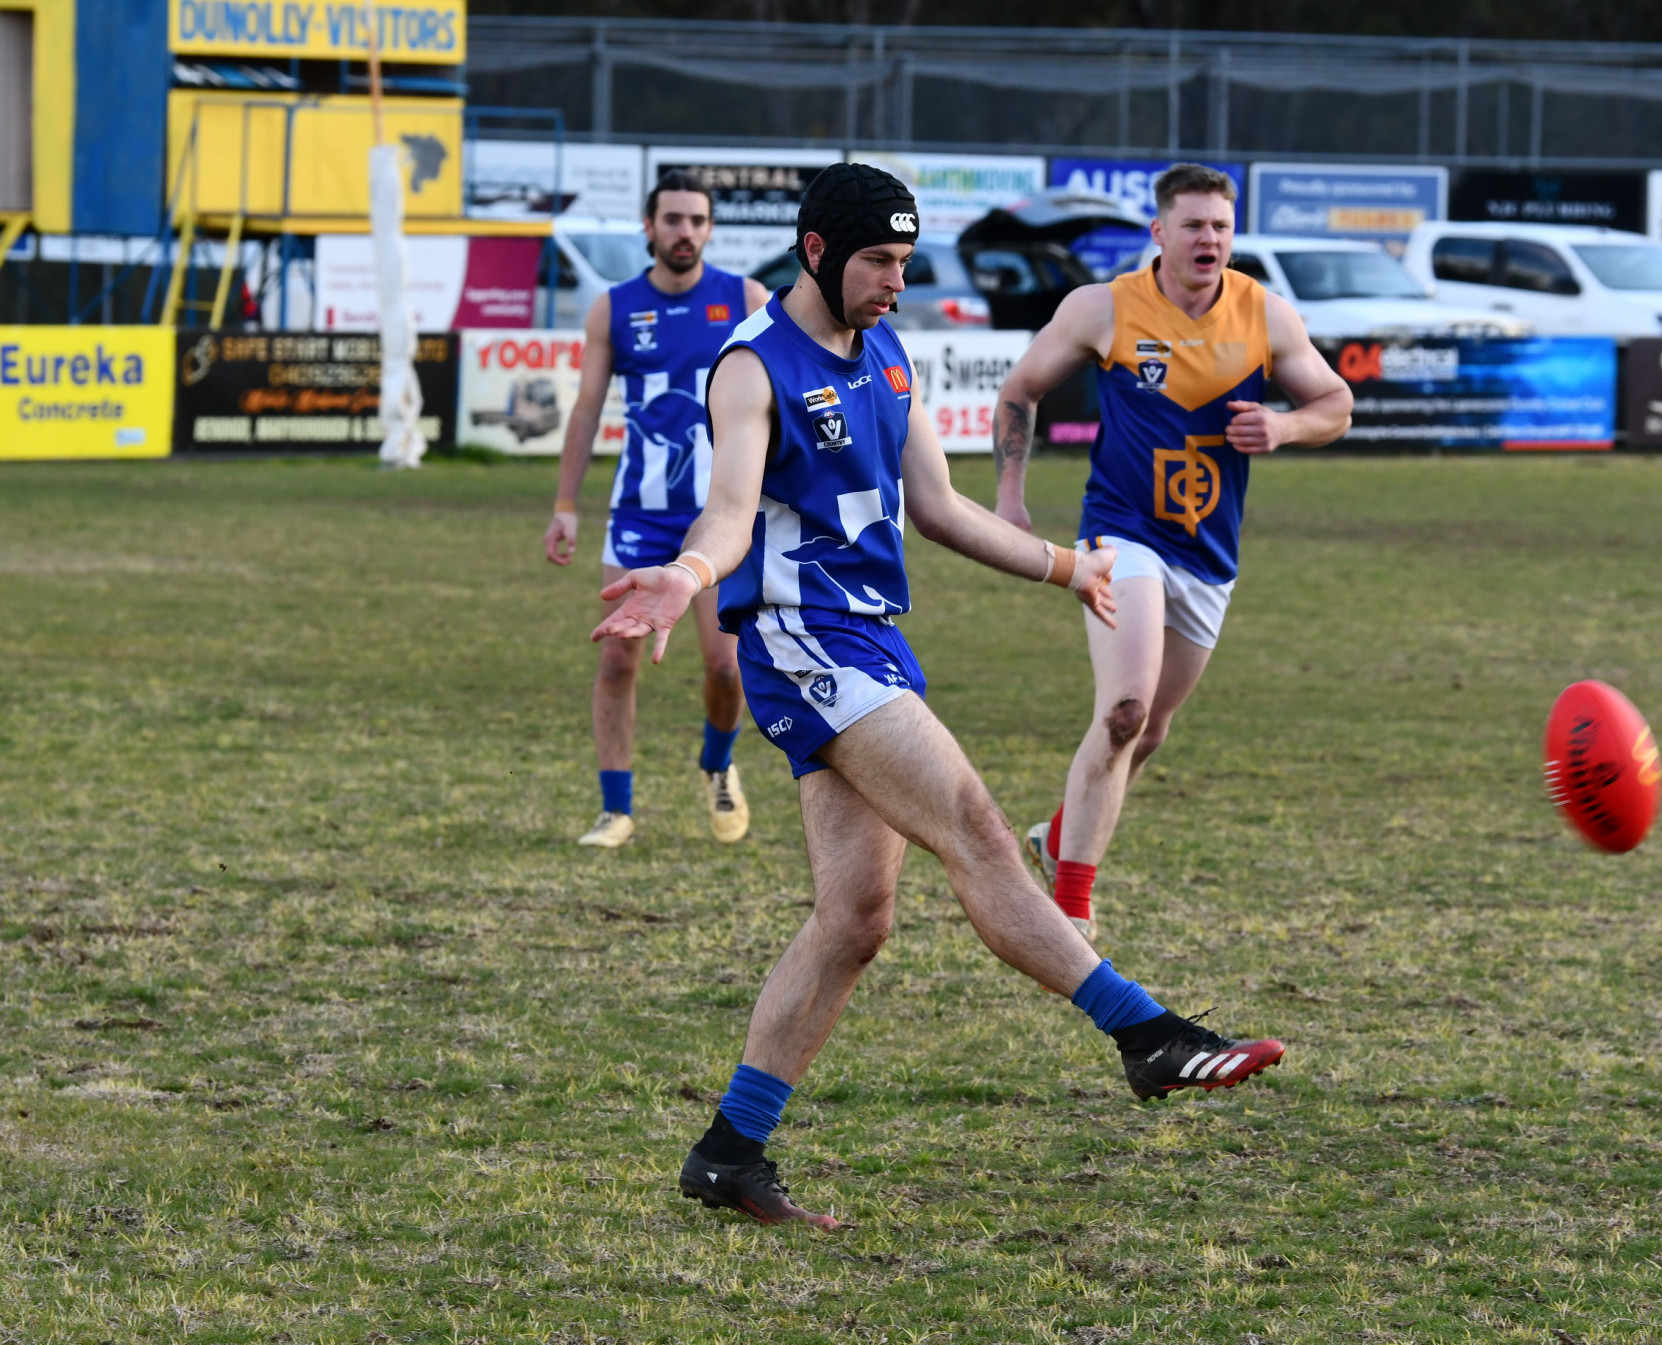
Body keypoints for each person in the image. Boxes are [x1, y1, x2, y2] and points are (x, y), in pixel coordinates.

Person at [591, 163, 1288, 1228]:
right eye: (877, 259)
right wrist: (685, 577)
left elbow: (941, 507)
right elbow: (729, 514)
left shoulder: (886, 354)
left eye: (905, 262)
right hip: (799, 642)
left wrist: (1067, 566)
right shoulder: (751, 366)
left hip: (869, 641)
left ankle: (729, 1152)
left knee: (855, 920)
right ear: (818, 251)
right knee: (975, 827)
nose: (894, 281)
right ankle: (1148, 1036)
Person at [989, 163, 1354, 939]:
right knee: (1123, 710)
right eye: (1193, 225)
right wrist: (1010, 499)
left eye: (1221, 226)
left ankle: (1056, 839)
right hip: (1123, 532)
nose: (1209, 240)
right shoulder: (1105, 307)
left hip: (1209, 551)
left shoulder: (1264, 313)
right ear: (1159, 233)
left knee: (1149, 730)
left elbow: (1336, 405)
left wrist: (1284, 427)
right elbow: (1020, 388)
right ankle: (1073, 910)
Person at [545, 171, 772, 848]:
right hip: (638, 514)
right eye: (673, 219)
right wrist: (565, 505)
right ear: (649, 227)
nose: (686, 232)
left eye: (698, 221)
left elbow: (784, 393)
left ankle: (719, 763)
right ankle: (616, 808)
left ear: (709, 229)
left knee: (726, 665)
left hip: (720, 517)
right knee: (617, 659)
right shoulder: (613, 307)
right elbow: (586, 409)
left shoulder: (747, 299)